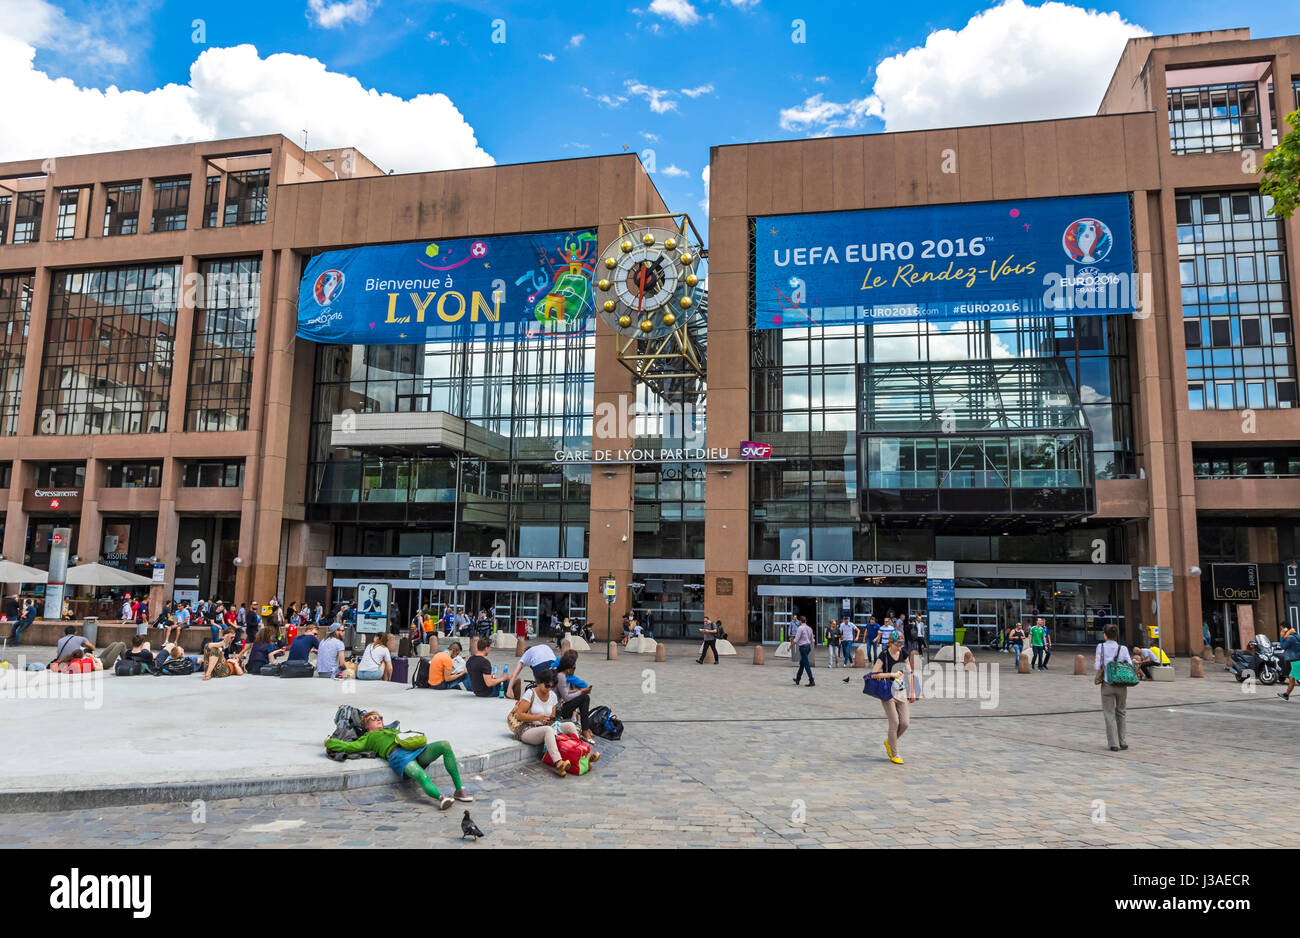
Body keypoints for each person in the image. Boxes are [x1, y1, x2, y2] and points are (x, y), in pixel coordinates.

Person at [325, 710, 473, 809]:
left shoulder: (392, 730)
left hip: (415, 750)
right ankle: (440, 798)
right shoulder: (367, 738)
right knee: (420, 774)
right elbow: (350, 747)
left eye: (380, 718)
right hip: (398, 756)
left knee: (444, 745)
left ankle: (460, 789)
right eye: (374, 718)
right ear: (366, 724)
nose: (379, 720)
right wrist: (329, 742)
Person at [509, 668, 598, 776]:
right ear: (540, 682)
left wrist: (551, 721)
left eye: (552, 686)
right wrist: (538, 717)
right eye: (547, 685)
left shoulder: (552, 696)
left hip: (544, 727)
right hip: (526, 729)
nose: (549, 689)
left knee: (569, 725)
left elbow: (551, 718)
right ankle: (559, 763)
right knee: (548, 730)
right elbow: (519, 715)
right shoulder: (530, 693)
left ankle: (583, 755)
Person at [870, 630, 916, 764]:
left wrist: (912, 691)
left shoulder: (904, 654)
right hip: (887, 693)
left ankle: (889, 741)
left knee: (905, 723)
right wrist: (891, 674)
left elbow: (910, 673)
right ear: (890, 643)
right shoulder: (883, 655)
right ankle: (894, 754)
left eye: (902, 644)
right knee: (895, 722)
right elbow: (873, 674)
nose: (900, 647)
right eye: (898, 644)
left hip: (901, 692)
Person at [1095, 623, 1132, 751]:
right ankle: (1122, 741)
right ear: (1116, 635)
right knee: (1121, 712)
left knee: (1109, 713)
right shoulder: (1123, 648)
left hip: (1107, 684)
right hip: (1121, 684)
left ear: (1105, 635)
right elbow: (1130, 664)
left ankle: (1113, 743)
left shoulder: (1101, 647)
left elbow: (1097, 665)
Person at [554, 650, 596, 741]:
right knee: (585, 698)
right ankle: (585, 731)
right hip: (558, 712)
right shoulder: (561, 676)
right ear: (568, 669)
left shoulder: (561, 675)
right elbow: (566, 697)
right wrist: (581, 692)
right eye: (574, 668)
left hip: (560, 707)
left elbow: (566, 692)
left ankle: (585, 729)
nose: (574, 670)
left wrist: (580, 691)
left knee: (584, 697)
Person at [1277, 629, 1300, 700]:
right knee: (1291, 678)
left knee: (1298, 679)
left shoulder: (1290, 638)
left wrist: (1281, 636)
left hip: (1296, 661)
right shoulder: (1297, 636)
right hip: (1296, 660)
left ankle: (1286, 695)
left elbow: (1283, 646)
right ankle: (1286, 695)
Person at [792, 616, 815, 687]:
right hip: (808, 647)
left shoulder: (800, 628)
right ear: (806, 621)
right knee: (802, 663)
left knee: (806, 664)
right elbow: (812, 640)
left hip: (803, 647)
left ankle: (811, 680)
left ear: (800, 622)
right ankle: (798, 679)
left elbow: (796, 639)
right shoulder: (810, 628)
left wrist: (790, 647)